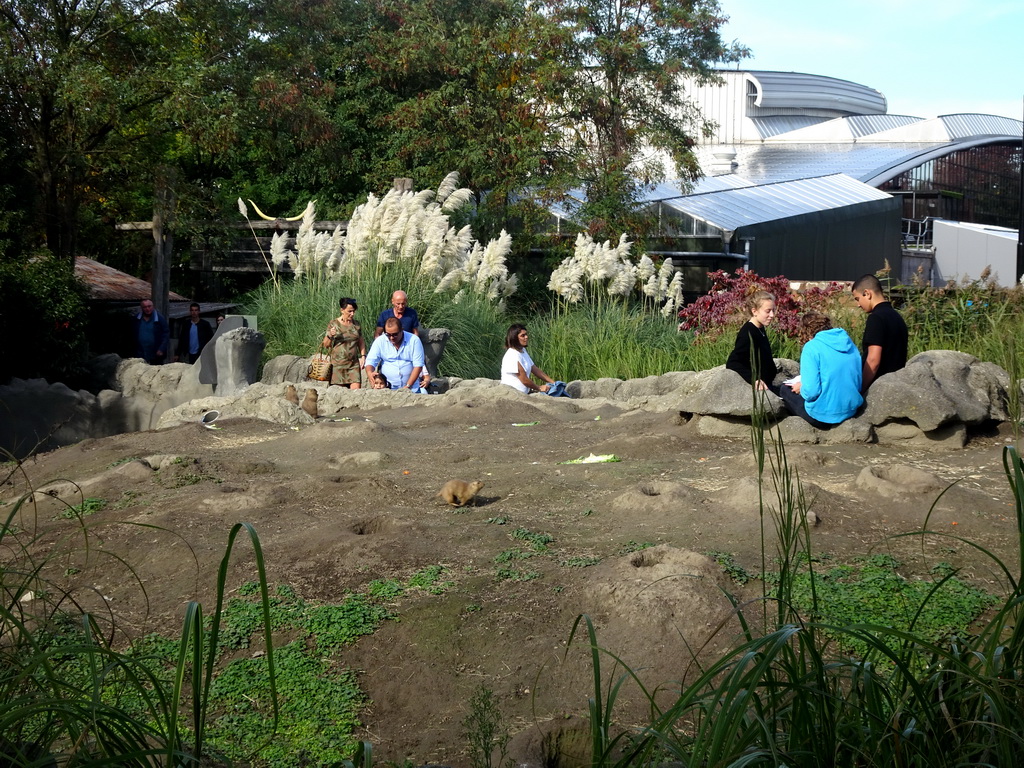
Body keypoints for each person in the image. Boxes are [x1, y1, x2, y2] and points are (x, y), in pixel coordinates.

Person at [780, 312, 863, 429]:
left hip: (823, 417)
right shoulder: (849, 343)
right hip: (851, 410)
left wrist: (802, 388)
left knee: (784, 389)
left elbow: (811, 393)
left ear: (806, 331)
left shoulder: (812, 347)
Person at [852, 273, 908, 392]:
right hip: (898, 384)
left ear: (867, 294)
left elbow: (873, 360)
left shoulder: (876, 318)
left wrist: (861, 389)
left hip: (879, 388)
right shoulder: (897, 316)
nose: (858, 305)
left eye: (857, 299)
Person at [725, 290, 778, 392]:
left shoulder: (760, 328)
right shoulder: (747, 333)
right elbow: (733, 362)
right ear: (754, 311)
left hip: (768, 384)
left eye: (773, 311)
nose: (772, 315)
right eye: (768, 311)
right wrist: (754, 379)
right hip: (762, 389)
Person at [365, 316, 425, 392]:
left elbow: (418, 366)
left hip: (411, 389)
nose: (391, 338)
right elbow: (370, 361)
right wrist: (370, 373)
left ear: (401, 330)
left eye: (395, 334)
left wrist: (408, 386)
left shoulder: (414, 340)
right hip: (387, 389)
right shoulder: (380, 341)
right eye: (388, 335)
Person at [501, 324, 560, 394]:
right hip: (514, 393)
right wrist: (539, 388)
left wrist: (553, 382)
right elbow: (524, 379)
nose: (526, 337)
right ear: (514, 338)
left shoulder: (522, 350)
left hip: (524, 392)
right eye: (522, 335)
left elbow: (534, 369)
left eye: (526, 334)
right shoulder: (512, 355)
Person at [322, 297, 367, 389]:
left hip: (353, 364)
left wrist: (363, 356)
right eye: (349, 311)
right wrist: (330, 335)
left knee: (356, 393)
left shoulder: (356, 325)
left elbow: (361, 341)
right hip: (338, 365)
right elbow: (326, 345)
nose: (352, 314)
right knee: (339, 393)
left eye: (354, 311)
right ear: (342, 310)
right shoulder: (334, 324)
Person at [132, 298, 169, 365]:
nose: (147, 309)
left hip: (155, 354)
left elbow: (166, 334)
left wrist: (161, 348)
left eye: (149, 306)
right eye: (145, 307)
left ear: (153, 306)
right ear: (141, 308)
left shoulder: (160, 319)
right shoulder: (136, 319)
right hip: (140, 354)